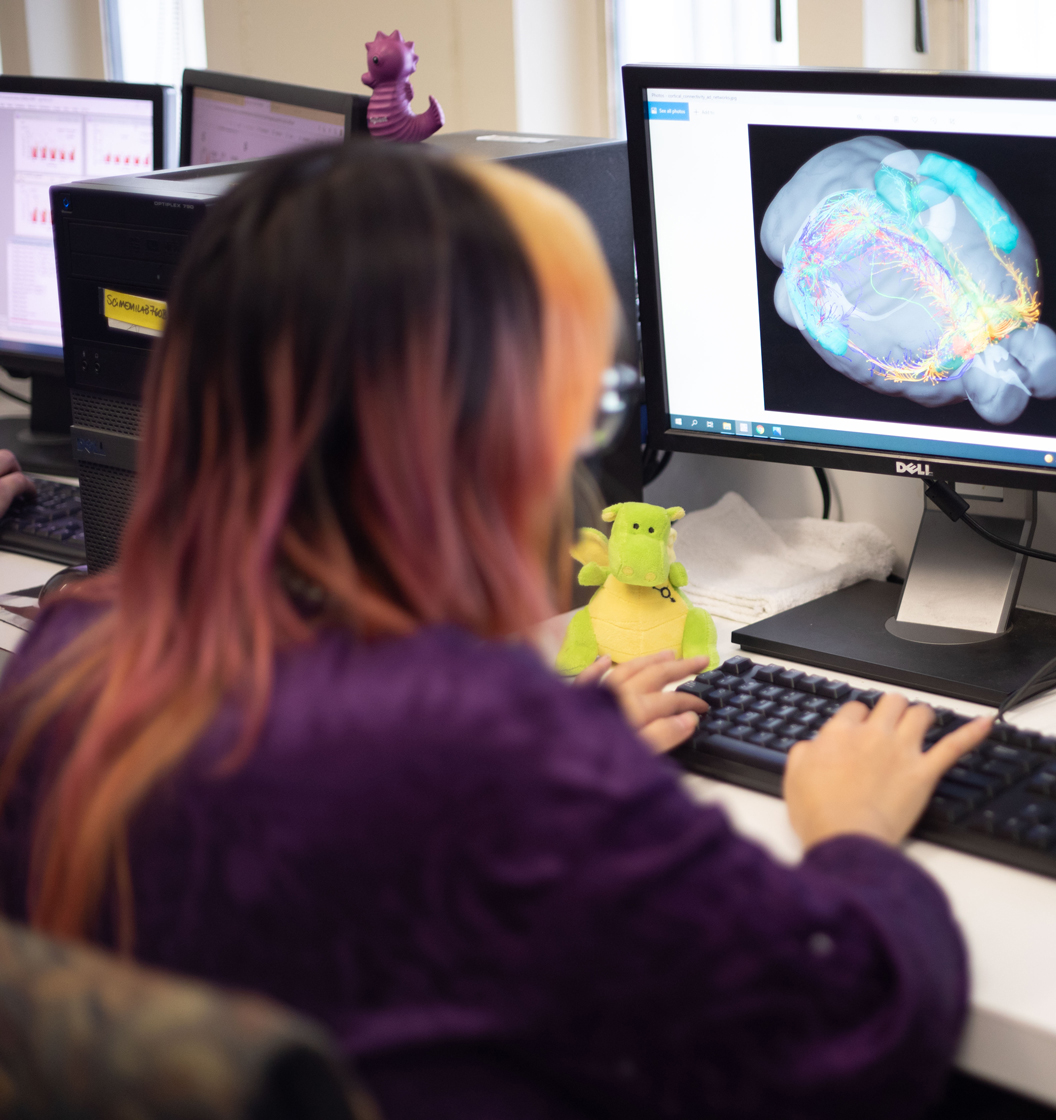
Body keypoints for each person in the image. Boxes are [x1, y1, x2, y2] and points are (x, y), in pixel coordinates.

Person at [0, 143, 992, 1120]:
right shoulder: (484, 752)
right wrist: (855, 835)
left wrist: (567, 752)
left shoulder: (72, 649)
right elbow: (850, 1026)